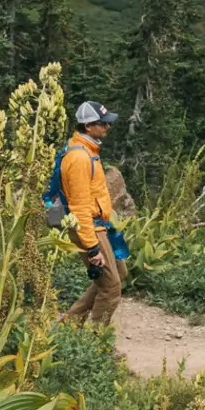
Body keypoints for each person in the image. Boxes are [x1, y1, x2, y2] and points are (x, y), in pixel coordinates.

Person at [58, 100, 137, 326]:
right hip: (89, 228)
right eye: (103, 124)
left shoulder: (87, 150)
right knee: (111, 288)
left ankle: (69, 325)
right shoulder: (80, 158)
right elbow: (80, 207)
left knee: (117, 275)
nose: (107, 128)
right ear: (89, 126)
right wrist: (92, 248)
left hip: (99, 225)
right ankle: (96, 343)